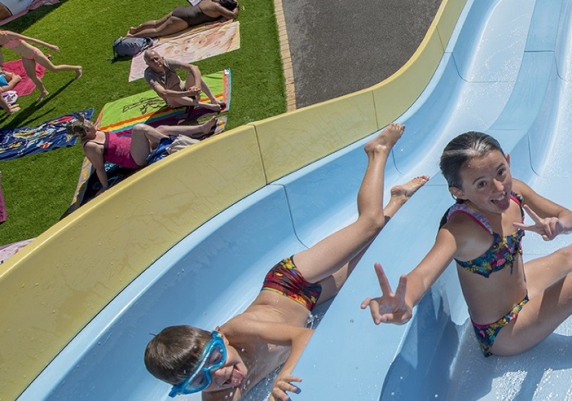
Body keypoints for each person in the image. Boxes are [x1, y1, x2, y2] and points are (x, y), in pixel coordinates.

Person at [142, 123, 429, 400]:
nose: (221, 374)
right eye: (199, 380)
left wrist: (285, 375)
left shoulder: (241, 330)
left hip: (292, 281)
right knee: (369, 249)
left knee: (370, 224)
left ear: (220, 338)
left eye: (216, 357)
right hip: (310, 301)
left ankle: (376, 150)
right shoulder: (220, 394)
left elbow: (303, 337)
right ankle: (397, 199)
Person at [362, 131, 572, 358]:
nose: (498, 188)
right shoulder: (460, 230)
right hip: (504, 330)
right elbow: (422, 275)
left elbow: (571, 218)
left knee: (566, 255)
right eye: (482, 184)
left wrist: (558, 226)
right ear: (459, 192)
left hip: (524, 288)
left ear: (508, 161)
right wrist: (404, 304)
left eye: (501, 172)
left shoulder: (515, 193)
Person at [66, 117, 222, 193]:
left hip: (136, 147)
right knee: (139, 128)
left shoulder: (94, 133)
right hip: (134, 158)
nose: (94, 124)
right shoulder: (91, 147)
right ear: (86, 132)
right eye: (90, 124)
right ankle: (172, 144)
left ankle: (201, 129)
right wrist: (105, 187)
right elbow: (99, 168)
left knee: (161, 128)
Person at [0, 30, 81, 102]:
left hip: (34, 53)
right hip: (26, 57)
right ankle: (43, 92)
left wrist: (50, 46)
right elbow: (1, 59)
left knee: (54, 69)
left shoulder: (8, 34)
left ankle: (77, 68)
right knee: (32, 76)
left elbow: (30, 39)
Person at [142, 50, 225, 113]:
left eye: (156, 58)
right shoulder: (149, 74)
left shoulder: (167, 62)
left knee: (192, 74)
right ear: (147, 64)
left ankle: (213, 99)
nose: (156, 62)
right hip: (173, 100)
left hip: (184, 88)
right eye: (152, 61)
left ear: (161, 58)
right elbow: (163, 93)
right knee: (170, 94)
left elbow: (193, 67)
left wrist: (197, 86)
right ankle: (206, 105)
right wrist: (187, 94)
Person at [127, 0, 238, 39]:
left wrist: (233, 1)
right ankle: (133, 36)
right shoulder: (218, 8)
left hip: (180, 10)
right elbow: (232, 15)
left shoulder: (215, 0)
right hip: (183, 19)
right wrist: (236, 7)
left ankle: (135, 29)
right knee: (157, 31)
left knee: (156, 23)